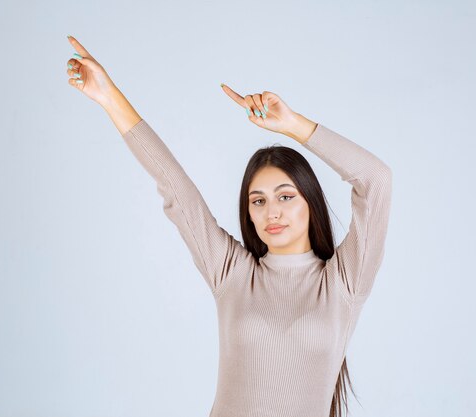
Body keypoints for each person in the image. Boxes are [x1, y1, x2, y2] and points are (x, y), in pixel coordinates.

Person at [65, 35, 392, 417]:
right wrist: (110, 98)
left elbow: (376, 179)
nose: (273, 211)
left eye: (286, 196)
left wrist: (294, 125)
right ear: (249, 213)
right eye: (259, 200)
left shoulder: (343, 283)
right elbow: (176, 187)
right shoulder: (232, 274)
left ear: (311, 203)